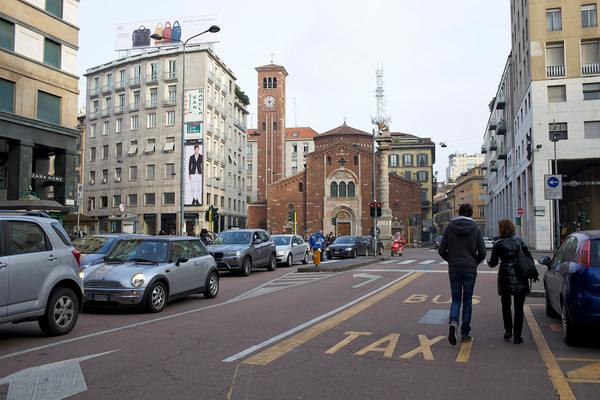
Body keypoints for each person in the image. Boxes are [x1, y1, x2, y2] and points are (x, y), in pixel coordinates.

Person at [438, 203, 486, 345]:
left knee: (456, 299)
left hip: (454, 269)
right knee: (468, 301)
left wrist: (451, 260)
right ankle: (465, 333)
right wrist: (474, 262)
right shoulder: (476, 229)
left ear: (459, 212)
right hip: (470, 269)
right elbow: (483, 252)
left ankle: (453, 322)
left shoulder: (449, 228)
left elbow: (441, 250)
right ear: (471, 213)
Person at [487, 219, 534, 344]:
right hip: (520, 276)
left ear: (501, 229)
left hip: (505, 276)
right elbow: (529, 257)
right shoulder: (519, 241)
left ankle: (508, 330)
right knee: (519, 308)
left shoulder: (498, 243)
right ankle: (517, 336)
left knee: (505, 305)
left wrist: (488, 261)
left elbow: (493, 263)